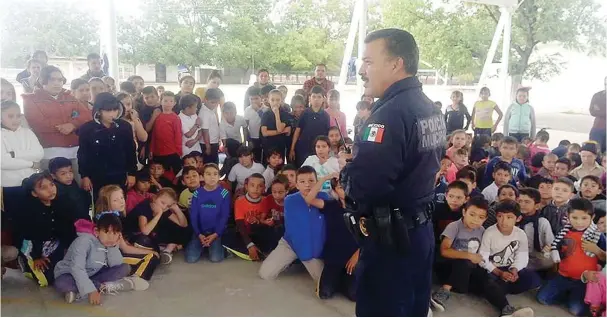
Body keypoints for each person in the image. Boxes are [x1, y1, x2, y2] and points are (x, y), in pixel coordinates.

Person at [339, 28, 447, 316]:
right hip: (419, 231)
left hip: (391, 241)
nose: (362, 70)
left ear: (396, 64)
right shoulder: (428, 107)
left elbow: (366, 185)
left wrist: (346, 174)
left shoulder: (387, 115)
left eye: (368, 62)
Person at [53, 213, 148, 305]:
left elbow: (115, 264)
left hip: (93, 274)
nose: (111, 237)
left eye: (115, 233)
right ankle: (105, 287)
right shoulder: (83, 241)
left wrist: (113, 247)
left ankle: (79, 292)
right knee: (61, 283)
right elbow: (77, 268)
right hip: (70, 274)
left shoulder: (110, 243)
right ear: (96, 232)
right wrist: (91, 290)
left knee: (124, 267)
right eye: (107, 232)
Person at [23, 65, 92, 183]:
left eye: (60, 80)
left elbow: (87, 115)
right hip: (50, 152)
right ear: (43, 80)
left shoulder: (69, 96)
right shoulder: (30, 99)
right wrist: (66, 125)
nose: (57, 83)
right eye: (52, 79)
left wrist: (73, 125)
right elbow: (37, 122)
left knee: (82, 187)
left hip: (76, 150)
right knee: (54, 191)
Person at [538, 198, 606, 316]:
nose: (579, 222)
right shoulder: (563, 232)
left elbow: (605, 259)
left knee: (576, 310)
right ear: (568, 216)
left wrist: (597, 250)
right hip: (562, 275)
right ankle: (568, 294)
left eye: (584, 218)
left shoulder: (598, 236)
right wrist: (549, 249)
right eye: (574, 218)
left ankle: (574, 296)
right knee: (542, 299)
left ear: (592, 217)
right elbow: (557, 250)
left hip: (584, 280)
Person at [258, 167, 327, 282]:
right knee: (265, 274)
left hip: (315, 246)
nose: (307, 185)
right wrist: (305, 256)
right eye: (302, 181)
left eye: (311, 181)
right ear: (296, 184)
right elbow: (293, 231)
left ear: (317, 182)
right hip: (291, 243)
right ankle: (295, 260)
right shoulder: (290, 200)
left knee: (323, 282)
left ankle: (304, 262)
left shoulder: (325, 199)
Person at [477, 200, 540, 316]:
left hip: (509, 268)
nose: (504, 221)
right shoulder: (490, 232)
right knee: (488, 283)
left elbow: (522, 256)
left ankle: (500, 290)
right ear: (496, 216)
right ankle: (506, 309)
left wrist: (514, 269)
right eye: (500, 216)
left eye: (509, 217)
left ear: (518, 218)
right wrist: (499, 272)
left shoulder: (520, 234)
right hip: (493, 269)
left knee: (532, 278)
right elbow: (482, 258)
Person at [430, 197, 489, 312]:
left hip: (466, 271)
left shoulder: (482, 230)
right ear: (464, 212)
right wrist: (469, 255)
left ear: (485, 219)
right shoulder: (454, 226)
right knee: (463, 262)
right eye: (472, 214)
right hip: (449, 268)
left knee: (483, 278)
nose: (475, 220)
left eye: (481, 217)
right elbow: (444, 251)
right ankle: (443, 291)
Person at [16, 173, 76, 287]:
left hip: (53, 242)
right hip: (34, 245)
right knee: (46, 281)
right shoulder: (32, 211)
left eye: (52, 185)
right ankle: (26, 264)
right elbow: (34, 235)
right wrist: (37, 257)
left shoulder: (61, 203)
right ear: (34, 193)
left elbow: (66, 228)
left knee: (64, 268)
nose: (50, 190)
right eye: (43, 188)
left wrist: (69, 247)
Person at [78, 93, 137, 203]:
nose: (112, 114)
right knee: (101, 203)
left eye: (115, 110)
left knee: (119, 203)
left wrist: (132, 173)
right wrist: (84, 175)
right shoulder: (87, 129)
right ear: (99, 111)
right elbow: (83, 154)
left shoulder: (125, 126)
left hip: (120, 175)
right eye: (108, 111)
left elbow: (131, 151)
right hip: (97, 176)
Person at [94, 185, 160, 280]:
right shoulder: (111, 221)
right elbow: (125, 249)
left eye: (122, 198)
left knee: (143, 244)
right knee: (151, 257)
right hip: (109, 258)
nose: (121, 201)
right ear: (106, 203)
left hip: (112, 253)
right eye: (115, 200)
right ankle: (135, 279)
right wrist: (151, 252)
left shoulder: (107, 216)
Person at [124, 188, 189, 264]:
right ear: (154, 198)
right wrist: (159, 213)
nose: (164, 207)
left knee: (186, 231)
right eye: (162, 202)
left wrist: (176, 209)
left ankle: (166, 250)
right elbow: (145, 231)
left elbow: (183, 224)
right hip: (133, 237)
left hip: (152, 234)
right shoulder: (145, 206)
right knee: (144, 240)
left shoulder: (164, 208)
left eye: (168, 206)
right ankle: (165, 249)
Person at [185, 163, 230, 263]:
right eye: (208, 174)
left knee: (215, 258)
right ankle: (201, 244)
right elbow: (194, 216)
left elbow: (224, 217)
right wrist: (199, 234)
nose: (212, 177)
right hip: (200, 232)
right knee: (190, 259)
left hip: (216, 233)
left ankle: (221, 248)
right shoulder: (197, 193)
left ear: (219, 177)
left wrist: (216, 234)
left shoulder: (224, 194)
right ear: (202, 177)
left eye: (215, 174)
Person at [231, 173, 279, 260]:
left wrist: (270, 222)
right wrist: (249, 245)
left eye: (260, 186)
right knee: (231, 238)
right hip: (244, 235)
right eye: (252, 185)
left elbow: (269, 222)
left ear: (264, 188)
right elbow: (240, 225)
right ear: (246, 186)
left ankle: (260, 252)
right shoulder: (239, 201)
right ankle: (253, 250)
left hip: (259, 234)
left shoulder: (266, 200)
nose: (256, 189)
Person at [1, 100, 44, 190]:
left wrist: (14, 154)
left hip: (32, 181)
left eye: (18, 116)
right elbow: (3, 162)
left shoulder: (28, 132)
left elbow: (39, 154)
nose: (15, 119)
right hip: (9, 184)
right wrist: (31, 164)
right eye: (10, 116)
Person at [290, 86, 330, 168]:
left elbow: (327, 135)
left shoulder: (326, 115)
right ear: (309, 98)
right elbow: (297, 131)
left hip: (318, 149)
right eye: (314, 97)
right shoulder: (305, 113)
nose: (316, 99)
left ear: (323, 99)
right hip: (303, 148)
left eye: (319, 97)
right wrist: (292, 148)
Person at [516, 188, 554, 271]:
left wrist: (547, 249)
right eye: (519, 201)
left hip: (538, 259)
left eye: (527, 202)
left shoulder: (543, 222)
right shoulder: (514, 221)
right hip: (516, 259)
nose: (522, 205)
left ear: (537, 206)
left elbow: (550, 243)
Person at [150, 92, 182, 177]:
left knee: (174, 176)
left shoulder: (175, 118)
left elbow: (178, 135)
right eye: (165, 101)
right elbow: (154, 134)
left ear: (174, 103)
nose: (168, 103)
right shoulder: (158, 116)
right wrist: (151, 149)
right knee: (159, 176)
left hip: (172, 152)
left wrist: (178, 152)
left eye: (171, 101)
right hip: (158, 152)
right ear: (161, 102)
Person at [261, 89, 291, 160]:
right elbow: (264, 133)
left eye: (278, 100)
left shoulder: (284, 114)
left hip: (280, 145)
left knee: (280, 166)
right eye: (272, 100)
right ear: (268, 100)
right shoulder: (266, 114)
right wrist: (282, 131)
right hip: (268, 146)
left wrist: (277, 114)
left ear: (281, 100)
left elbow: (279, 128)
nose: (275, 102)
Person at [243, 87, 265, 163]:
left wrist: (258, 110)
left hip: (264, 138)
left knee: (263, 158)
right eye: (251, 99)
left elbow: (266, 122)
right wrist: (247, 140)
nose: (254, 101)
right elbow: (245, 127)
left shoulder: (266, 109)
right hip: (252, 138)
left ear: (261, 98)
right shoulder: (247, 110)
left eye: (256, 98)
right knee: (254, 158)